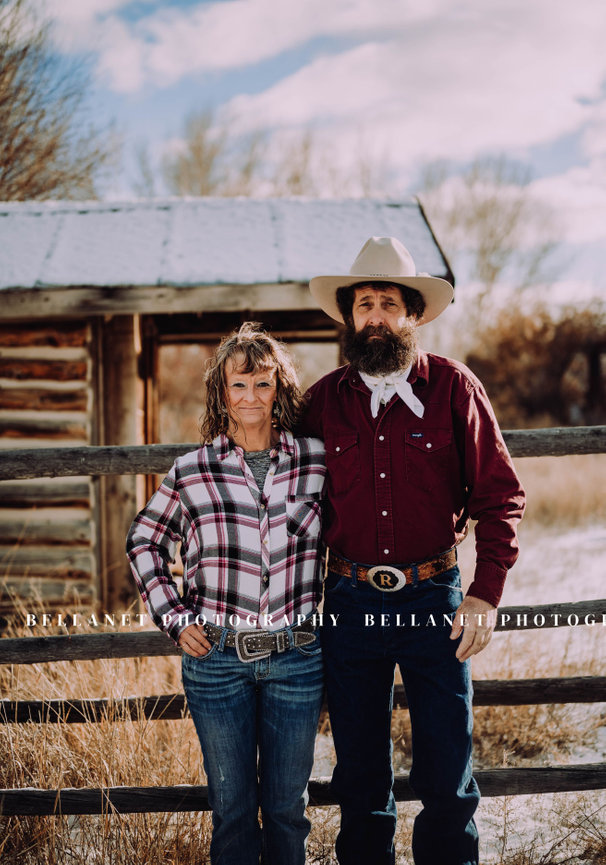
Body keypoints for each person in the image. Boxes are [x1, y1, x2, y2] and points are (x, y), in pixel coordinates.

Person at [301, 236, 526, 865]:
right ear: (349, 317)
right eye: (364, 303)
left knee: (448, 778)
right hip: (347, 602)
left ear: (414, 315)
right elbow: (286, 496)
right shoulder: (322, 402)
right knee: (361, 782)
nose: (375, 316)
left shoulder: (454, 389)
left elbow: (501, 497)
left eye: (389, 303)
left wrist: (486, 593)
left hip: (436, 601)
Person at [127, 322, 326, 865]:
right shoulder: (192, 472)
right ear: (222, 392)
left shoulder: (315, 462)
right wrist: (173, 617)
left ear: (280, 390)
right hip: (216, 660)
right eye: (239, 386)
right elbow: (144, 540)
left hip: (297, 656)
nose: (251, 398)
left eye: (263, 384)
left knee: (288, 809)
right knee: (233, 811)